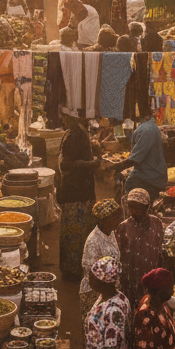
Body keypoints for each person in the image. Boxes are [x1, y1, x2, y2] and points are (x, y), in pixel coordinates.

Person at [58, 114, 100, 281]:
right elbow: (65, 164)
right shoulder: (73, 135)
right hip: (75, 192)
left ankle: (75, 269)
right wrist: (92, 164)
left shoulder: (78, 132)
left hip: (80, 191)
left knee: (79, 232)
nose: (63, 119)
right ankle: (72, 271)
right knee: (74, 233)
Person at [80, 199, 123, 349]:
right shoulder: (93, 241)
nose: (119, 221)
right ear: (102, 220)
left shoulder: (110, 233)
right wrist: (103, 296)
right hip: (94, 292)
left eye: (119, 216)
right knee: (94, 333)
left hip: (108, 289)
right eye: (115, 218)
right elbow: (90, 273)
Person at [115, 187, 165, 310]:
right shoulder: (123, 227)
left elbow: (160, 249)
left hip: (151, 271)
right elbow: (119, 253)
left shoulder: (156, 223)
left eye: (138, 207)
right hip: (131, 276)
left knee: (150, 305)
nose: (133, 211)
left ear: (147, 206)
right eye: (131, 207)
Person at [113, 112, 167, 203]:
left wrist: (114, 168)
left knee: (129, 187)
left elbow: (135, 159)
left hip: (149, 178)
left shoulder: (146, 129)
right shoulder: (149, 126)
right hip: (153, 174)